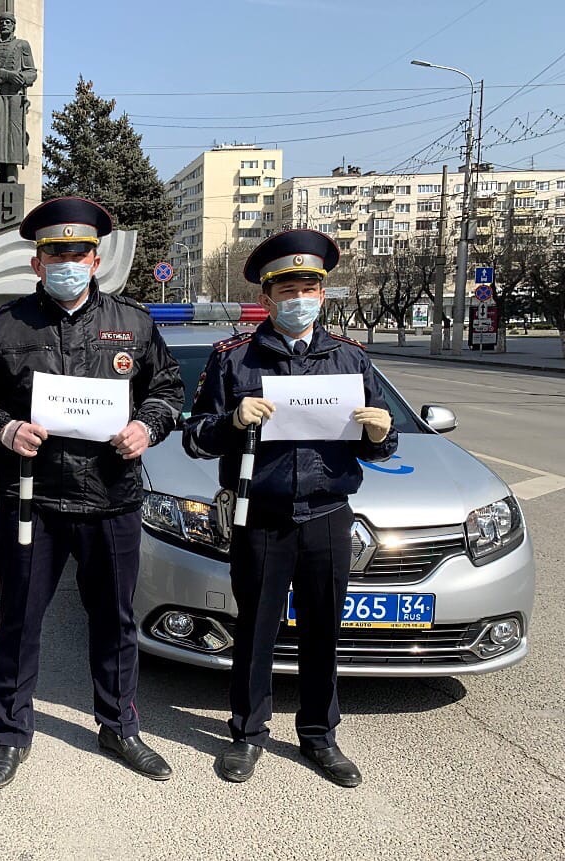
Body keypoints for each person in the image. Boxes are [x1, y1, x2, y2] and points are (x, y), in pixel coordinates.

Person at [0, 197, 185, 790]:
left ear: (96, 259)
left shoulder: (134, 322)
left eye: (77, 252)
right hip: (32, 499)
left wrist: (146, 426)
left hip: (111, 498)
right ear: (36, 261)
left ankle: (120, 725)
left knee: (115, 621)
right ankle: (10, 734)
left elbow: (169, 390)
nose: (66, 262)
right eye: (55, 252)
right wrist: (3, 429)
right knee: (20, 622)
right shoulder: (6, 325)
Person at [182, 229, 398, 788]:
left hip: (327, 513)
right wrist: (232, 421)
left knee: (324, 629)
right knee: (254, 628)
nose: (297, 297)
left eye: (308, 287)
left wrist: (383, 431)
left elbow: (380, 442)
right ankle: (248, 735)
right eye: (285, 288)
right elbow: (196, 438)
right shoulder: (233, 359)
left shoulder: (349, 358)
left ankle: (320, 736)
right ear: (268, 295)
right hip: (262, 515)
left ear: (322, 295)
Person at [0, 11, 38, 183]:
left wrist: (22, 78)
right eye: (2, 22)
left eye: (8, 22)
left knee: (15, 132)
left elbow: (32, 72)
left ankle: (11, 171)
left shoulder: (22, 45)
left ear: (14, 25)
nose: (4, 25)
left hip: (15, 94)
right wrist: (7, 75)